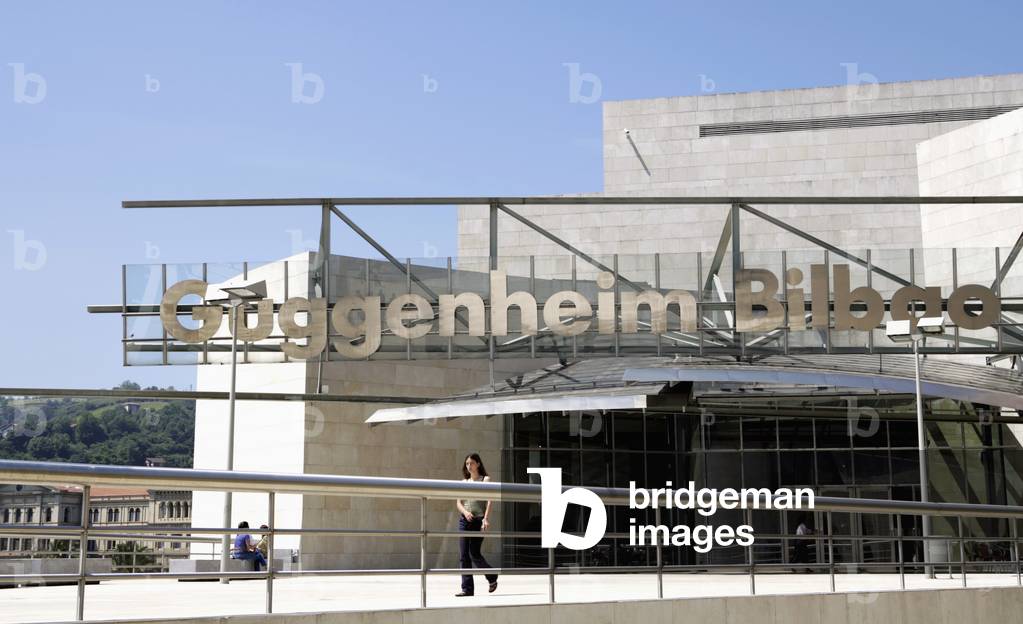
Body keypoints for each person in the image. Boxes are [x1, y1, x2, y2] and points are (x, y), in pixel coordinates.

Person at [455, 453, 498, 597]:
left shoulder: (485, 479)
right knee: (463, 555)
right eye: (467, 464)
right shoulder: (463, 482)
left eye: (471, 463)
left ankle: (491, 575)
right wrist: (465, 512)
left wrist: (485, 519)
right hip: (464, 520)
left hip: (478, 521)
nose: (469, 466)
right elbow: (458, 502)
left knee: (474, 553)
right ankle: (467, 589)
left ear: (478, 464)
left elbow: (489, 500)